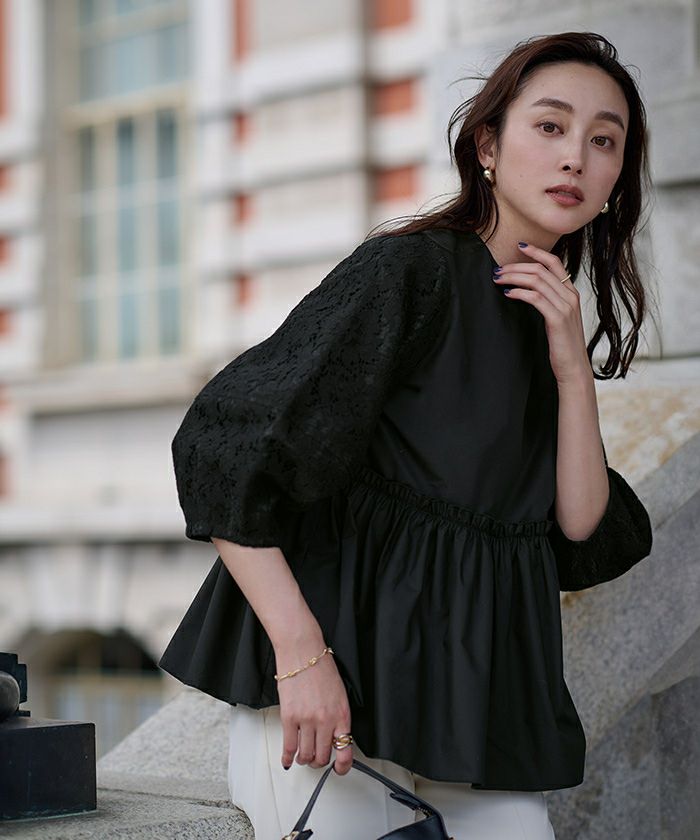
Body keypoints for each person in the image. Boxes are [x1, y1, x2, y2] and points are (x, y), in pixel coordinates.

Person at [158, 30, 654, 840]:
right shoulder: (409, 273)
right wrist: (302, 659)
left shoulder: (551, 316)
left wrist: (572, 369)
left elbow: (579, 524)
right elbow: (223, 450)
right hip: (337, 695)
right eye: (550, 126)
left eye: (605, 141)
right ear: (487, 146)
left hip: (475, 711)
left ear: (616, 179)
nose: (575, 157)